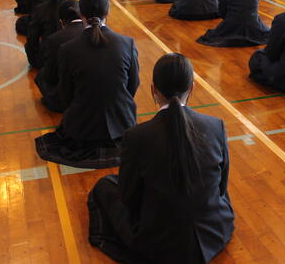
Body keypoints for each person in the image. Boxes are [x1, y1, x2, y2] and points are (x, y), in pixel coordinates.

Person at [87, 53, 234, 264]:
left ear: (153, 90)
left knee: (105, 186)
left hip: (158, 242)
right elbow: (221, 188)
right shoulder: (215, 126)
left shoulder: (136, 136)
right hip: (211, 234)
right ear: (192, 88)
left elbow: (129, 198)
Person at [35, 0, 140, 168]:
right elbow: (133, 84)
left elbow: (66, 94)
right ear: (108, 12)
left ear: (81, 14)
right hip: (121, 124)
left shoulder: (67, 49)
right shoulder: (127, 43)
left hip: (82, 127)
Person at [34, 0, 83, 112]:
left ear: (61, 22)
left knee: (41, 76)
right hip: (92, 96)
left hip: (69, 99)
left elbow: (50, 76)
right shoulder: (96, 33)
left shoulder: (54, 40)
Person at [25, 0, 68, 68]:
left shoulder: (40, 9)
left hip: (48, 58)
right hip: (70, 58)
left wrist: (35, 59)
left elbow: (32, 39)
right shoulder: (75, 7)